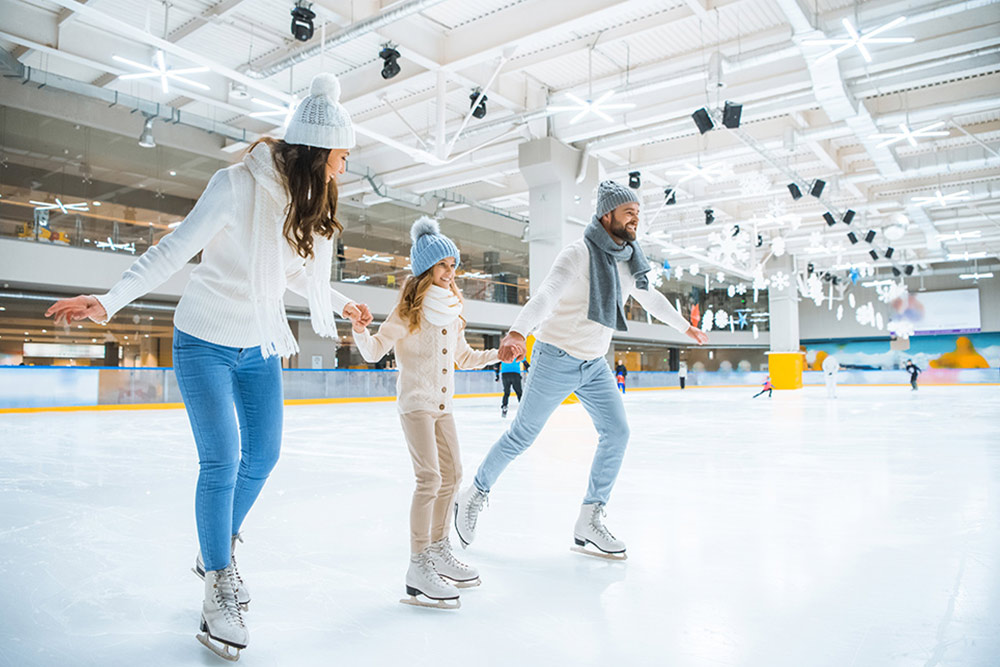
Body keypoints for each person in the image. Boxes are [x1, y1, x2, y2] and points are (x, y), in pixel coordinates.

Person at [44, 73, 372, 661]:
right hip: (204, 338)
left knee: (265, 455)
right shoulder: (235, 186)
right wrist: (110, 300)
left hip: (259, 343)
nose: (343, 171)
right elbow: (174, 248)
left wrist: (340, 300)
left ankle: (213, 543)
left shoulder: (302, 203)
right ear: (318, 152)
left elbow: (291, 272)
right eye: (342, 158)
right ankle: (219, 581)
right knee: (222, 459)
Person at [454, 180, 708, 561]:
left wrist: (682, 327)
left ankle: (589, 519)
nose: (636, 219)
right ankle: (473, 494)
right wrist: (519, 332)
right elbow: (546, 295)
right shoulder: (577, 255)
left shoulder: (628, 258)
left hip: (595, 364)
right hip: (555, 358)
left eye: (638, 212)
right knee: (522, 435)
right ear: (607, 215)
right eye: (629, 212)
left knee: (617, 432)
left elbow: (648, 295)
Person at [352, 217, 499, 610]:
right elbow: (372, 351)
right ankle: (418, 564)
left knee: (452, 475)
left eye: (454, 265)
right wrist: (359, 329)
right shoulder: (407, 313)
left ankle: (438, 550)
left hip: (444, 407)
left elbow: (464, 357)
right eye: (444, 265)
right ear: (425, 270)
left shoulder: (451, 310)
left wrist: (496, 355)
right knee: (429, 478)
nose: (452, 273)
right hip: (416, 404)